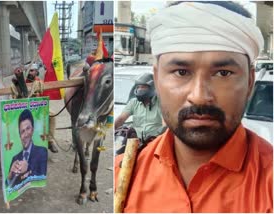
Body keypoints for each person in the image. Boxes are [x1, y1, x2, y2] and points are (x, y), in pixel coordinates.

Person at [114, 1, 273, 212]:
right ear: (157, 79)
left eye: (223, 73)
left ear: (250, 81)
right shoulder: (122, 175)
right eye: (181, 72)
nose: (199, 97)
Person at [114, 73, 165, 141]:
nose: (140, 89)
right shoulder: (134, 102)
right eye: (138, 87)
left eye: (143, 87)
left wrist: (157, 137)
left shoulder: (161, 103)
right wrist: (115, 131)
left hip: (155, 141)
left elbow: (165, 125)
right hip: (135, 141)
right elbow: (121, 119)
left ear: (152, 87)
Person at [6, 109, 47, 188]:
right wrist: (10, 175)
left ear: (32, 129)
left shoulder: (42, 152)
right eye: (22, 131)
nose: (25, 134)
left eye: (28, 128)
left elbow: (43, 176)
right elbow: (8, 186)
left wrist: (28, 169)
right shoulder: (15, 158)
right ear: (19, 135)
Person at [25, 63, 59, 153]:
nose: (30, 73)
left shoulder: (40, 82)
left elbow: (45, 98)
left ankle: (50, 141)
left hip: (39, 107)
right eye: (28, 70)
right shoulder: (22, 83)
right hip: (25, 109)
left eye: (32, 71)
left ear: (36, 72)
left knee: (52, 115)